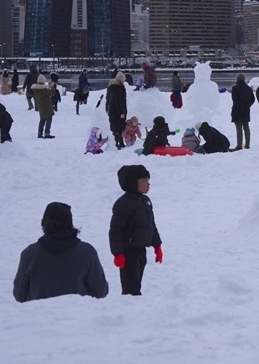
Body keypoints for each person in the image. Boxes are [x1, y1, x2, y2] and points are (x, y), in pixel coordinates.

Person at [13, 202, 108, 302]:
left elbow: (20, 295)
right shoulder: (87, 252)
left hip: (39, 316)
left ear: (42, 223)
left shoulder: (29, 254)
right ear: (70, 224)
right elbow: (100, 292)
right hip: (78, 315)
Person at [109, 165, 163, 296]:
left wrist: (157, 245)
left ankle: (134, 307)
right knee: (131, 289)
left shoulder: (145, 201)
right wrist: (118, 253)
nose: (148, 184)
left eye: (148, 181)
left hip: (141, 249)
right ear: (132, 183)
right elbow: (115, 230)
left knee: (137, 283)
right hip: (128, 252)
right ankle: (130, 309)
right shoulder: (123, 204)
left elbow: (151, 224)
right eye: (144, 181)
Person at [230, 73, 255, 151]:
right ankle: (247, 144)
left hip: (237, 110)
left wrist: (241, 106)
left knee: (239, 128)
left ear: (237, 79)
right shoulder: (248, 88)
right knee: (246, 127)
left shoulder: (234, 88)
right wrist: (247, 105)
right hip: (246, 110)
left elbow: (235, 100)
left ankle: (239, 145)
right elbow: (252, 99)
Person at [106, 72, 128, 149]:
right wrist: (121, 112)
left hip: (112, 112)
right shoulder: (118, 89)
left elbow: (108, 100)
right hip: (117, 113)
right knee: (119, 128)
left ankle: (118, 142)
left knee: (116, 128)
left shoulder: (112, 88)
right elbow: (118, 102)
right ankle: (119, 143)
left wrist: (107, 109)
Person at [32, 74, 55, 139]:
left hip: (40, 106)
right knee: (49, 119)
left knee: (42, 119)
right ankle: (47, 133)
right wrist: (52, 87)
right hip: (46, 106)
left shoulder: (37, 89)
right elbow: (52, 93)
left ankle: (40, 133)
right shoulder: (43, 90)